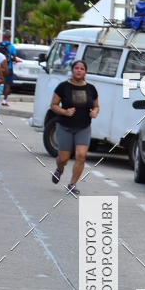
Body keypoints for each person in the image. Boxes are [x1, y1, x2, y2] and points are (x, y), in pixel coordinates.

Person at [50, 59, 98, 196]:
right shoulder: (63, 87)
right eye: (76, 68)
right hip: (65, 126)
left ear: (85, 72)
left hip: (83, 126)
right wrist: (65, 112)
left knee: (81, 155)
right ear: (72, 70)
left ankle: (72, 184)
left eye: (82, 69)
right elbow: (53, 105)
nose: (79, 70)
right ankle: (59, 169)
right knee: (63, 158)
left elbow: (96, 105)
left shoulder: (91, 89)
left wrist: (95, 112)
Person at [0, 31, 16, 106]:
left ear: (4, 37)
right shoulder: (11, 47)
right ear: (10, 37)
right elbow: (14, 57)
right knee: (7, 84)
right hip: (8, 68)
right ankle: (4, 101)